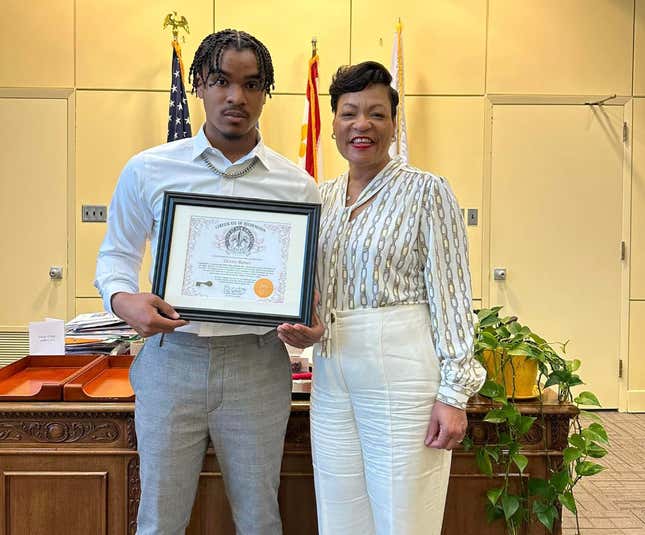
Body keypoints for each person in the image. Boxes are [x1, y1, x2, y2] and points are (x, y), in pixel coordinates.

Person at [95, 29, 322, 535]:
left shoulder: (297, 185)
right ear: (198, 84)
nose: (235, 97)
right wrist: (124, 299)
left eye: (251, 83)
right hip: (171, 361)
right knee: (159, 518)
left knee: (261, 517)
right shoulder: (150, 170)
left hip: (257, 363)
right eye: (221, 80)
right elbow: (115, 256)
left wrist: (311, 324)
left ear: (267, 91)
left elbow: (311, 282)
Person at [277, 61, 486, 535]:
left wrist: (454, 394)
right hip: (332, 369)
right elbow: (317, 287)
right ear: (333, 124)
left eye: (376, 114)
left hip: (402, 364)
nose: (362, 125)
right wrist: (309, 329)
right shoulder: (320, 198)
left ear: (394, 125)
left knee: (403, 513)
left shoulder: (426, 191)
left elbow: (451, 295)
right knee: (339, 507)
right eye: (349, 113)